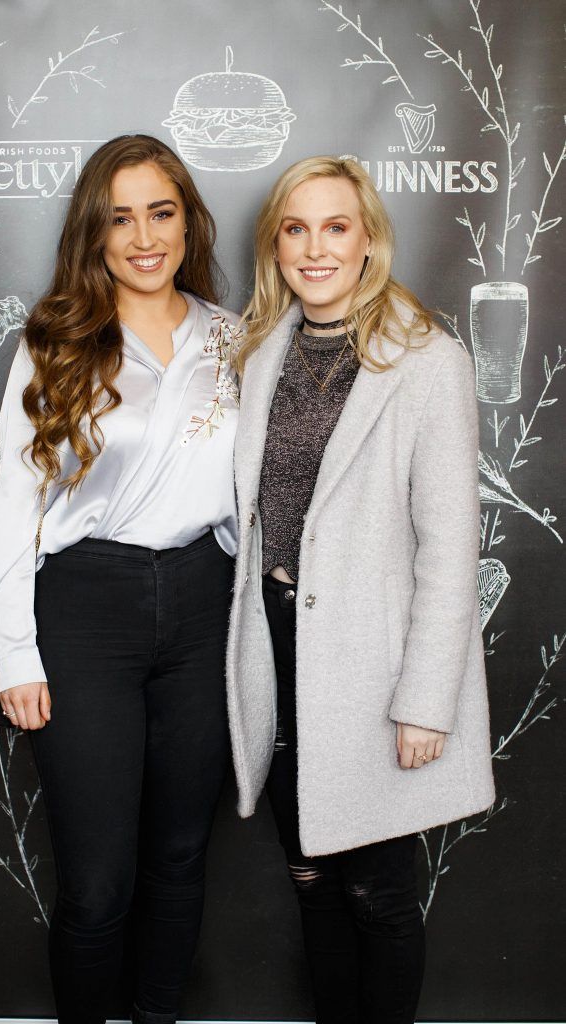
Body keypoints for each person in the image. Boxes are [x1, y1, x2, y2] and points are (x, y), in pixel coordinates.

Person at [226, 156, 495, 1024]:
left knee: (376, 892)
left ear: (368, 238)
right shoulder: (258, 354)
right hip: (275, 645)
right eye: (295, 228)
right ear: (276, 243)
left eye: (334, 226)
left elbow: (450, 548)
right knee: (309, 876)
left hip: (372, 666)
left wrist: (426, 701)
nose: (315, 248)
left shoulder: (426, 361)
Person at [0, 134, 241, 1024]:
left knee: (178, 859)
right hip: (85, 610)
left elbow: (250, 495)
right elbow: (16, 501)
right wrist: (15, 650)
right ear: (93, 233)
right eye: (119, 216)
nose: (143, 236)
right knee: (97, 881)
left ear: (188, 221)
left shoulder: (233, 340)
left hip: (206, 604)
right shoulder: (54, 340)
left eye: (160, 212)